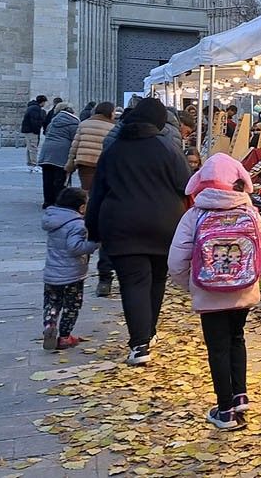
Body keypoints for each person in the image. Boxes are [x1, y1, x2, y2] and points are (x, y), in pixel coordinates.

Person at [168, 153, 261, 430]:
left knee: (217, 348)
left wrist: (190, 285)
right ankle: (240, 394)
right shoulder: (249, 212)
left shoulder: (195, 214)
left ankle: (224, 410)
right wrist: (252, 279)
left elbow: (176, 260)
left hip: (208, 292)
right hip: (242, 292)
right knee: (237, 338)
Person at [86, 98, 190, 365]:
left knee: (133, 283)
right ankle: (149, 332)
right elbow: (185, 185)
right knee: (156, 280)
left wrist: (92, 228)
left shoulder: (114, 150)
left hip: (122, 226)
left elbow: (97, 192)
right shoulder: (168, 149)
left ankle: (140, 343)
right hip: (164, 225)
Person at [65, 101, 117, 296]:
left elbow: (74, 145)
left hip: (85, 163)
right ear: (110, 113)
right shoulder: (111, 127)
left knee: (87, 193)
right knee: (101, 195)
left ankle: (85, 221)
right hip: (103, 165)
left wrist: (70, 164)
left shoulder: (84, 123)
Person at [42, 187, 99, 350]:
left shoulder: (52, 220)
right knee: (71, 306)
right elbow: (75, 248)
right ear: (81, 208)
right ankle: (65, 337)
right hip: (72, 275)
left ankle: (49, 325)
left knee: (52, 303)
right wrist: (94, 244)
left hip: (52, 273)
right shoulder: (77, 224)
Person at [38, 103, 79, 209]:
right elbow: (75, 139)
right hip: (61, 153)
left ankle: (48, 201)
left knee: (47, 179)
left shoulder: (53, 121)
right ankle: (58, 201)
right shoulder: (73, 123)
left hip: (46, 152)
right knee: (59, 179)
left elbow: (47, 132)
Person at [21, 95, 49, 171]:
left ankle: (30, 163)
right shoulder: (35, 109)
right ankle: (34, 163)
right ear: (42, 102)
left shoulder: (32, 107)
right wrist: (36, 130)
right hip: (32, 131)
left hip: (28, 130)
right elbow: (34, 121)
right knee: (33, 147)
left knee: (29, 147)